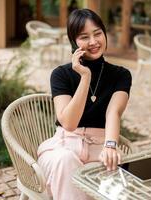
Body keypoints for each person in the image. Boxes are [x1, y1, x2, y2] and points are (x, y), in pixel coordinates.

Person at [37, 9, 132, 200]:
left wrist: (111, 145)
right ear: (74, 42)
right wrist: (85, 76)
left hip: (101, 146)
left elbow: (113, 113)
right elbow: (69, 123)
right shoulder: (61, 74)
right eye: (84, 37)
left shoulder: (121, 75)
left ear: (104, 33)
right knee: (65, 161)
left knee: (117, 178)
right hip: (62, 147)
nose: (93, 42)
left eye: (97, 33)